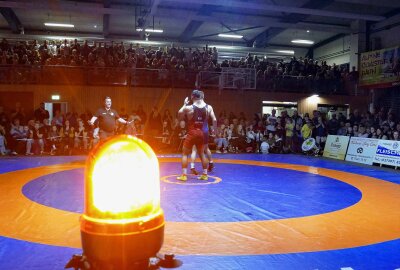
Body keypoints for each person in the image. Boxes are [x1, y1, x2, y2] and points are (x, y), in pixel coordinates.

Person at [177, 90, 217, 181]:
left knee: (184, 154)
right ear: (201, 97)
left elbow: (179, 114)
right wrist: (215, 131)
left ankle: (183, 175)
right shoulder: (208, 107)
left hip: (192, 133)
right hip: (202, 133)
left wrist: (184, 104)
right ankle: (205, 174)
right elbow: (214, 120)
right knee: (202, 153)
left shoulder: (189, 108)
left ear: (192, 97)